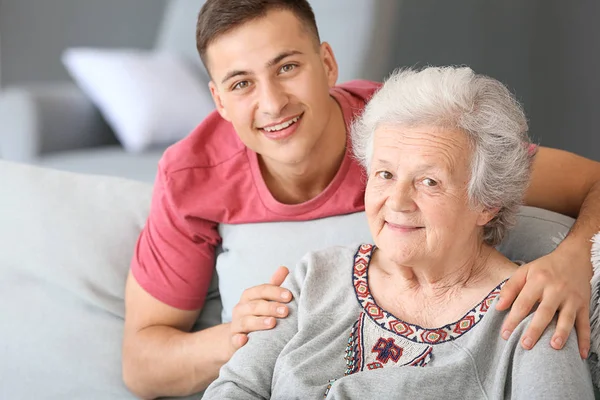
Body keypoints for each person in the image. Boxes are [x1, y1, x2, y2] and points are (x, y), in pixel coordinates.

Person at [122, 0, 600, 398]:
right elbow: (145, 365)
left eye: (287, 67)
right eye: (241, 82)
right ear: (219, 100)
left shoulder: (423, 130)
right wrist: (243, 335)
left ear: (328, 63)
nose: (271, 104)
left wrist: (575, 258)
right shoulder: (204, 186)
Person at [202, 66, 595, 399]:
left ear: (487, 202)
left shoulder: (534, 315)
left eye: (429, 182)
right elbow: (235, 388)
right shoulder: (316, 276)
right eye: (385, 174)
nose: (398, 201)